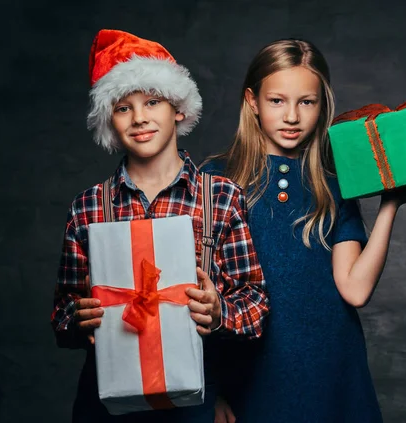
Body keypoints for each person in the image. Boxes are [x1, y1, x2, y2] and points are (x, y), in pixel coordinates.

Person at [201, 39, 406, 423]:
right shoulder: (215, 179)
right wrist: (209, 391)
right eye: (277, 101)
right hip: (247, 373)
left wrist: (390, 204)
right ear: (252, 101)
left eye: (306, 102)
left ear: (322, 104)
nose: (292, 116)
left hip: (330, 368)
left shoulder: (333, 183)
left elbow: (355, 289)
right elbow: (195, 293)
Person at [51, 29, 269, 423]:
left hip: (194, 401)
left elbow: (255, 304)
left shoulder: (218, 197)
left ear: (178, 109)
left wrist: (219, 311)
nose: (139, 118)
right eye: (122, 108)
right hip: (106, 406)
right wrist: (76, 319)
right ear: (109, 122)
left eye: (152, 101)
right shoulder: (88, 208)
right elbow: (63, 314)